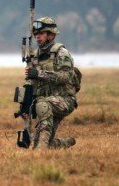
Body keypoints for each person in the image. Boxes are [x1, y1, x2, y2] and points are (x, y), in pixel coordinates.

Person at [24, 16, 79, 149]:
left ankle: (40, 150)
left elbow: (65, 77)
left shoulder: (62, 53)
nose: (37, 37)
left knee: (43, 105)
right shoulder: (34, 56)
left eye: (41, 34)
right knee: (32, 143)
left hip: (65, 100)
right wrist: (25, 104)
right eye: (36, 34)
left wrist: (39, 74)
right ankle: (65, 143)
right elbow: (30, 83)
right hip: (44, 102)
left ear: (51, 35)